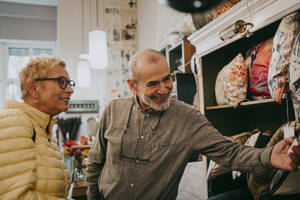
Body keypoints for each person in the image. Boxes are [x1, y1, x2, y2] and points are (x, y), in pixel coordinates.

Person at [86, 49, 300, 200]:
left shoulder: (187, 118)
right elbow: (95, 163)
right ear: (133, 86)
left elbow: (230, 153)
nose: (164, 89)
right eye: (153, 84)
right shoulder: (113, 110)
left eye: (167, 79)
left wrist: (269, 156)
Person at [0, 57, 75, 199]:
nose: (70, 90)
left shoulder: (44, 131)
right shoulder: (15, 122)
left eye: (69, 83)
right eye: (62, 82)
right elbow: (15, 196)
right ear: (33, 88)